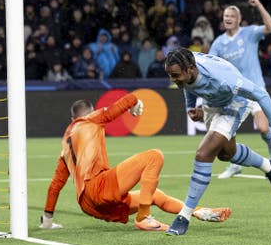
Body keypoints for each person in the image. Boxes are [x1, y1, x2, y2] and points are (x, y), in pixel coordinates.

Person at [39, 94, 232, 231]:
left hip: (88, 205)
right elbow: (125, 102)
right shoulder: (91, 120)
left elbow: (55, 186)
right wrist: (135, 102)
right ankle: (143, 217)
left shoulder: (65, 145)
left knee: (154, 195)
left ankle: (198, 212)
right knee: (154, 156)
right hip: (100, 188)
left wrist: (47, 219)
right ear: (90, 113)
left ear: (72, 118)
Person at [163, 48, 271, 236]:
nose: (172, 80)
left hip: (235, 102)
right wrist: (191, 107)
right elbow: (187, 86)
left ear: (191, 69)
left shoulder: (223, 80)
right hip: (213, 102)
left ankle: (184, 216)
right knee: (225, 154)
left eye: (175, 76)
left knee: (204, 153)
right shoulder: (185, 66)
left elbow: (261, 95)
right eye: (170, 75)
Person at [208, 0, 271, 179]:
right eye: (226, 16)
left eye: (232, 15)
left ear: (239, 19)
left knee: (264, 129)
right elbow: (211, 67)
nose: (228, 18)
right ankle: (234, 165)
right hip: (233, 94)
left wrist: (260, 5)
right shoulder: (218, 43)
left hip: (255, 89)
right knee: (229, 132)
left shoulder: (249, 33)